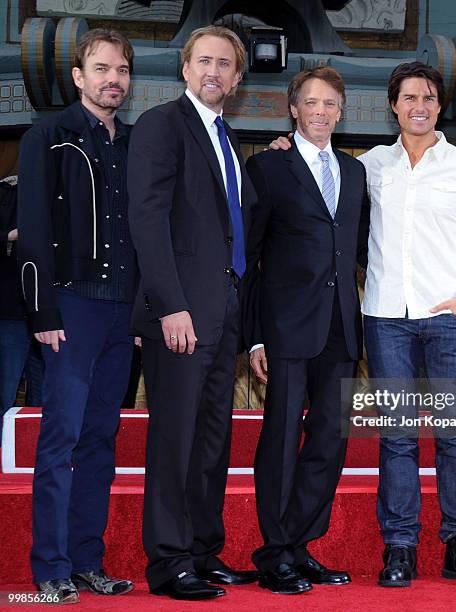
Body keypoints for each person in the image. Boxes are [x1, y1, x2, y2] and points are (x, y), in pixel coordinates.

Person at [268, 61, 456, 588]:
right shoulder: (369, 166)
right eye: (409, 97)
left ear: (440, 106)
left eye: (429, 98)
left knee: (455, 436)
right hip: (386, 321)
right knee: (397, 436)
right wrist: (285, 149)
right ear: (393, 105)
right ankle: (400, 547)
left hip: (450, 321)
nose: (420, 106)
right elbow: (319, 182)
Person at [127, 26, 258, 601]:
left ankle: (203, 551)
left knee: (212, 440)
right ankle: (168, 562)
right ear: (185, 69)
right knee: (175, 441)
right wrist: (169, 306)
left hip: (223, 312)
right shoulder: (163, 124)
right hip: (180, 314)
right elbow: (147, 220)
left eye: (224, 64)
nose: (213, 71)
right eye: (203, 60)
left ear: (236, 78)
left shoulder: (227, 137)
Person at [17, 29, 136, 603]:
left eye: (123, 70)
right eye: (103, 68)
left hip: (121, 314)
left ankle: (88, 561)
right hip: (69, 308)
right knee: (59, 440)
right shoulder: (49, 135)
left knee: (100, 441)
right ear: (79, 76)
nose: (114, 78)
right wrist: (41, 310)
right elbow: (33, 230)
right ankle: (49, 570)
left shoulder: (136, 143)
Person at [244, 66, 370, 595]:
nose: (320, 112)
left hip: (341, 325)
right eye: (310, 103)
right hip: (286, 328)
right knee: (279, 440)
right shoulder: (268, 168)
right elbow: (249, 256)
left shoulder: (355, 171)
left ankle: (299, 545)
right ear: (293, 109)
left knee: (328, 440)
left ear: (342, 111)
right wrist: (254, 336)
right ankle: (274, 553)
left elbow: (357, 249)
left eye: (330, 104)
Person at [0, 175, 44, 443]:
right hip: (11, 311)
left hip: (47, 312)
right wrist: (10, 235)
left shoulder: (59, 194)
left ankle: (29, 453)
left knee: (43, 393)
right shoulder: (6, 193)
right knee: (6, 387)